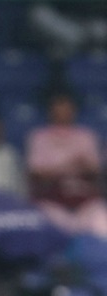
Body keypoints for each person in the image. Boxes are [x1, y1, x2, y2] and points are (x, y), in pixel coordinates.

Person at [24, 89, 107, 237]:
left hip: (85, 201)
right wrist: (70, 165)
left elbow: (95, 169)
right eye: (58, 109)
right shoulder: (39, 137)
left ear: (73, 110)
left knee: (102, 222)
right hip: (52, 201)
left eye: (67, 109)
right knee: (45, 222)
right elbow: (36, 172)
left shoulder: (86, 136)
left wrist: (72, 167)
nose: (63, 113)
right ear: (51, 111)